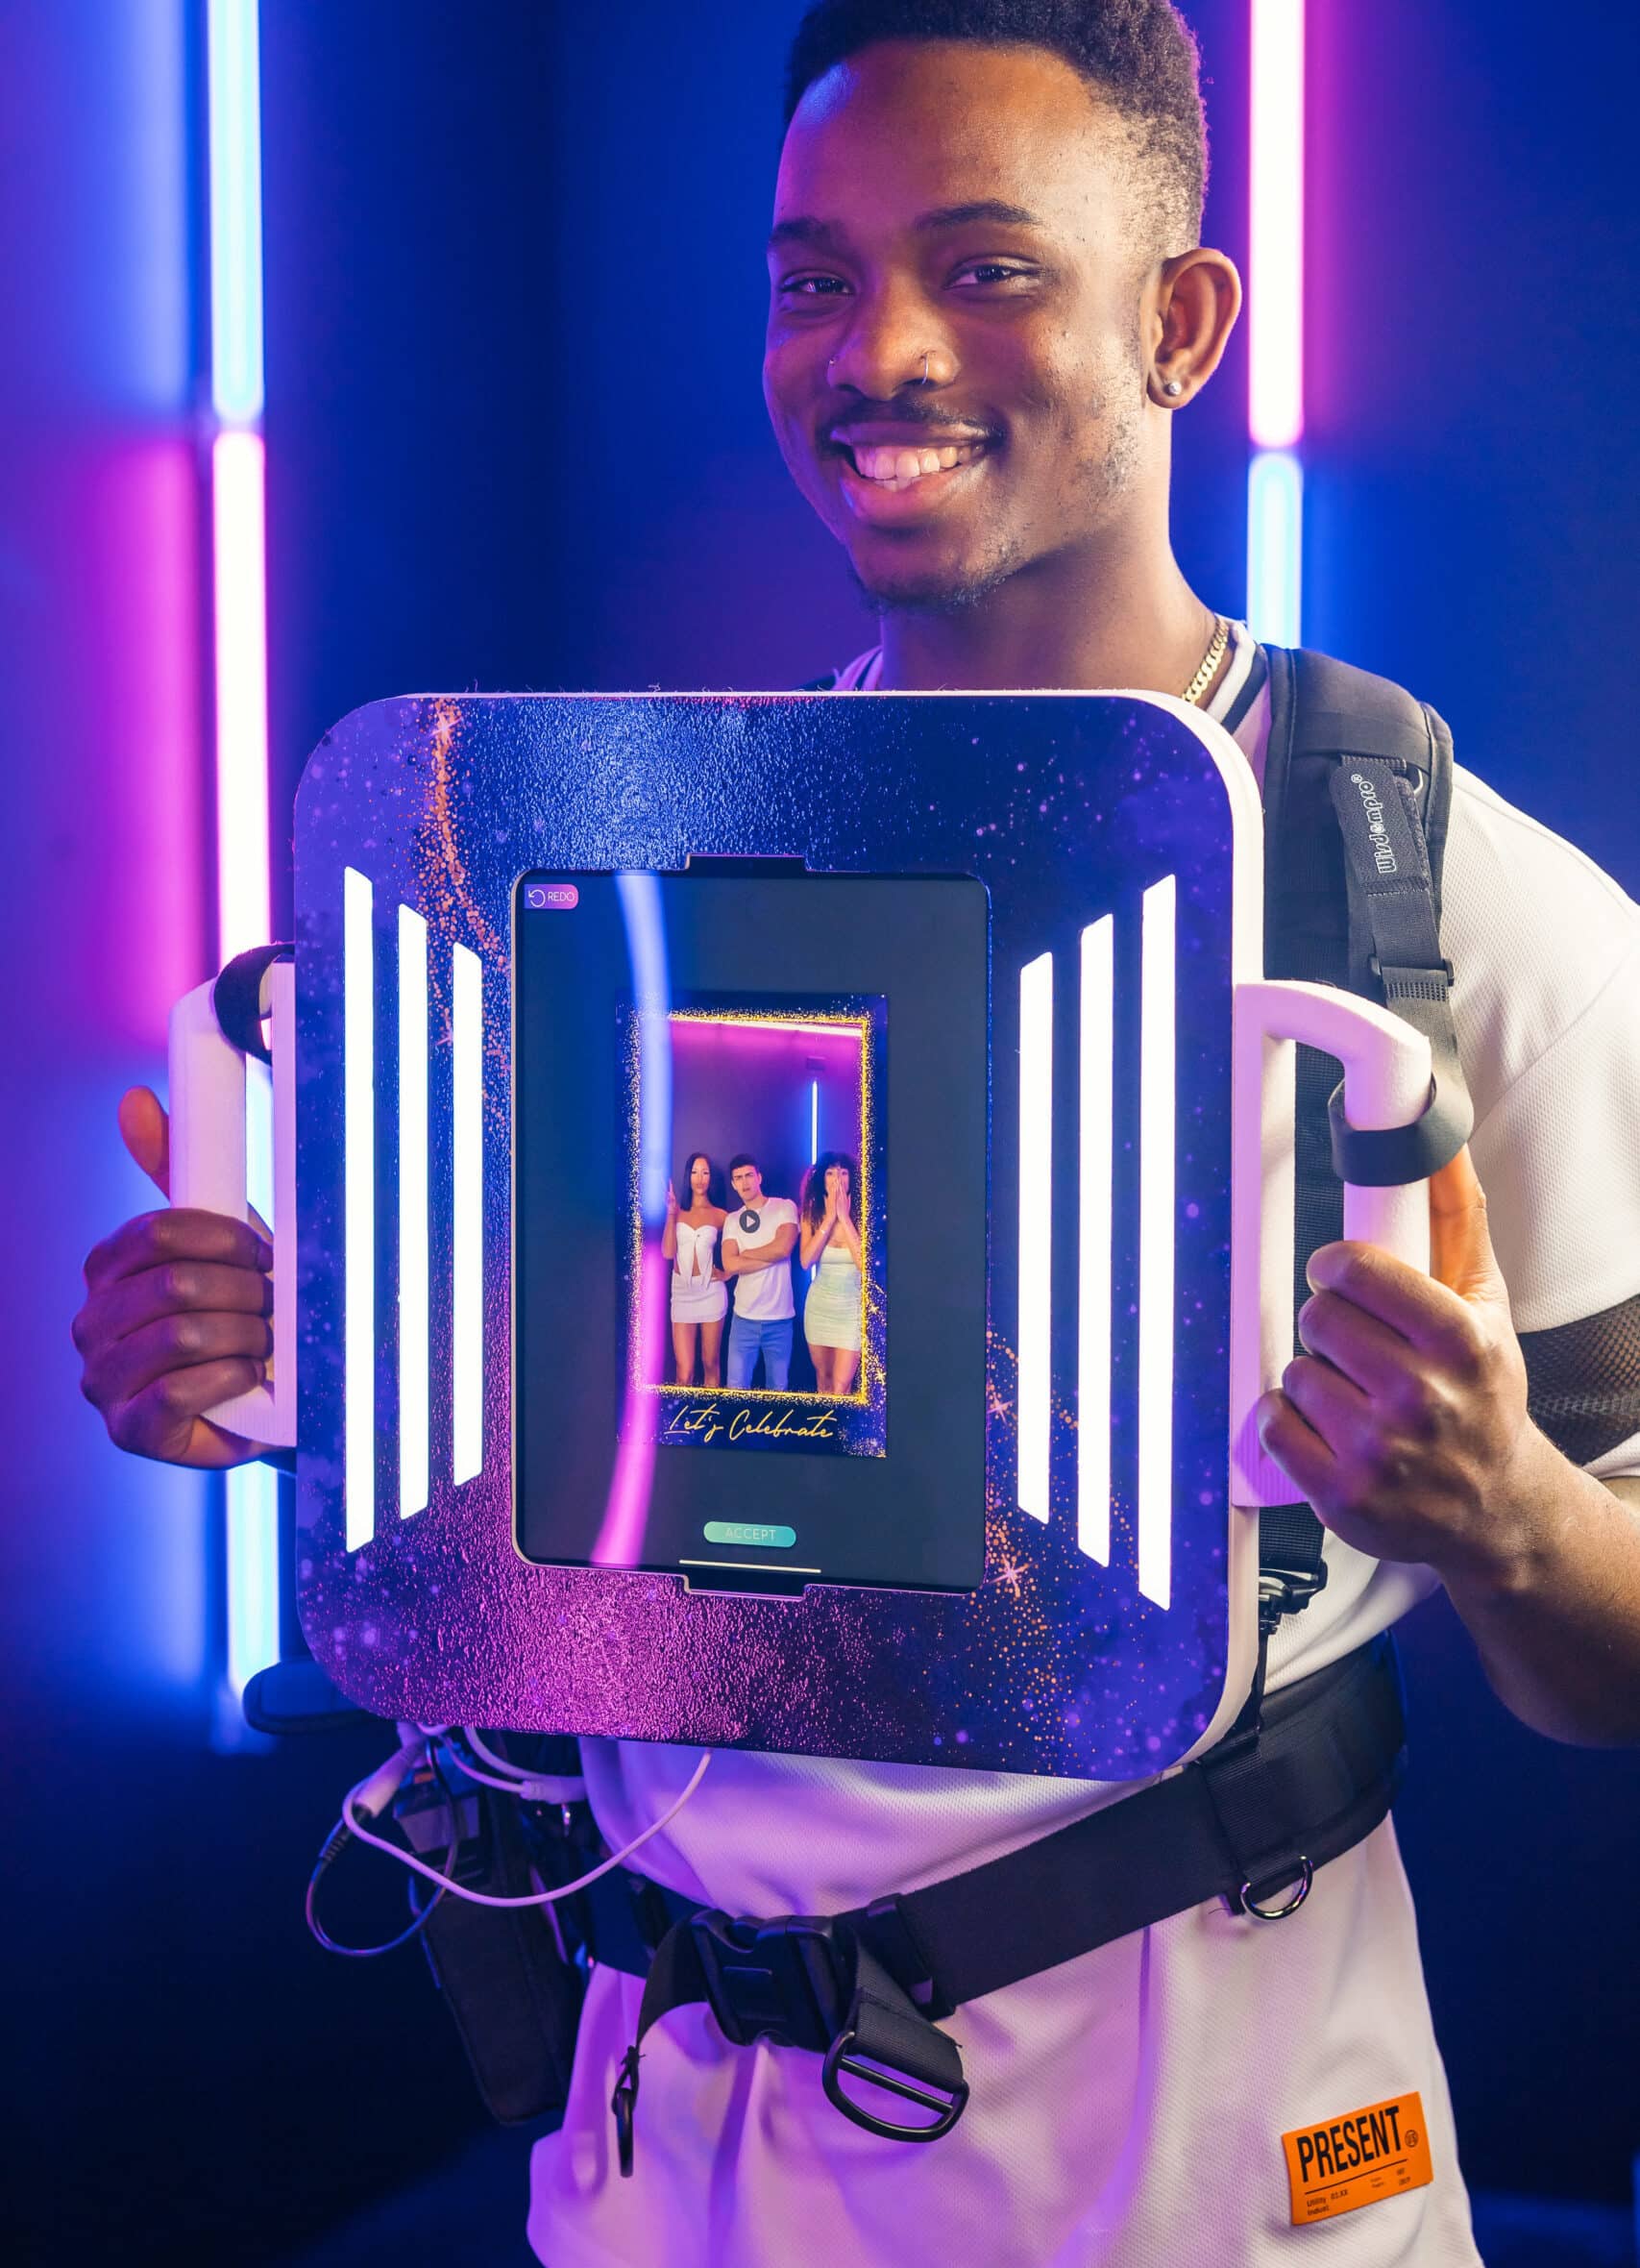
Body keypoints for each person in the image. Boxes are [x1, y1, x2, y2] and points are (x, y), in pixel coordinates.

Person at [70, 5, 1640, 2264]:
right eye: (814, 275)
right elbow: (607, 1468)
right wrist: (286, 1381)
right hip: (661, 2158)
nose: (875, 348)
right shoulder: (652, 889)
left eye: (984, 266)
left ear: (1176, 319)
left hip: (1205, 2166)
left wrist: (1494, 1515)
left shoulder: (1439, 904)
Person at [718, 1154, 800, 1391]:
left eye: (749, 1176)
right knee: (736, 1388)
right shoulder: (733, 1220)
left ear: (759, 1177)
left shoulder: (784, 1207)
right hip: (743, 1320)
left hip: (780, 1320)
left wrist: (745, 1255)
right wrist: (772, 1254)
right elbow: (730, 1265)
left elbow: (784, 1248)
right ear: (733, 1184)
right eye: (738, 1178)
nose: (744, 1183)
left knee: (778, 1389)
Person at [797, 1149, 864, 1393]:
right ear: (822, 1179)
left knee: (841, 1385)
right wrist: (829, 1219)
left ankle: (841, 1428)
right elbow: (806, 1261)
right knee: (824, 1380)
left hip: (851, 1311)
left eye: (844, 1172)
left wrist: (844, 1219)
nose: (837, 1178)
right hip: (819, 1309)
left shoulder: (864, 1213)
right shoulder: (811, 1212)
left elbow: (864, 1267)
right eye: (831, 1172)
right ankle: (827, 1429)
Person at [662, 1151, 728, 1387]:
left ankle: (711, 1420)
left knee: (711, 1362)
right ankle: (682, 1422)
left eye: (705, 1172)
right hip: (682, 1294)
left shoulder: (720, 1215)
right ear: (687, 1176)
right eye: (695, 1172)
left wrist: (728, 1272)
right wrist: (671, 1214)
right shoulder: (678, 1212)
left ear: (711, 1178)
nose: (700, 1178)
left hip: (711, 1292)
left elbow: (741, 1243)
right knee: (684, 1372)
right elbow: (668, 1253)